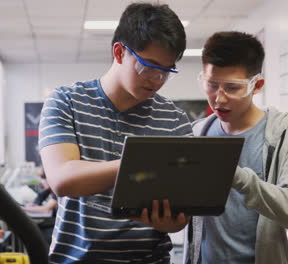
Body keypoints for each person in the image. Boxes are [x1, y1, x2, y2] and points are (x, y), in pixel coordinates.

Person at [38, 3, 191, 263]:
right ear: (119, 52)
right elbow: (63, 179)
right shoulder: (66, 101)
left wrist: (170, 221)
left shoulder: (174, 120)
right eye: (149, 66)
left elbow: (180, 218)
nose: (157, 80)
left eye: (167, 71)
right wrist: (142, 164)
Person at [184, 31, 288, 264]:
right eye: (212, 85)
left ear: (257, 85)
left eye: (232, 88)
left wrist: (239, 178)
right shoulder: (196, 134)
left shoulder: (286, 135)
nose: (219, 99)